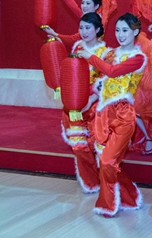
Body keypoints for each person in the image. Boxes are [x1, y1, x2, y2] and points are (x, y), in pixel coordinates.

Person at [77, 13, 146, 217]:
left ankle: (107, 204)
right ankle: (129, 196)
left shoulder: (138, 58)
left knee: (107, 161)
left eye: (125, 30)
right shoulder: (110, 54)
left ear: (135, 31)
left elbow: (113, 71)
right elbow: (101, 83)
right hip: (103, 113)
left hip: (124, 115)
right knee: (106, 162)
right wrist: (87, 102)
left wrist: (89, 57)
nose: (120, 34)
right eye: (117, 30)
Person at [60, 12, 107, 194]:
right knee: (79, 146)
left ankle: (105, 180)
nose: (84, 31)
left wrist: (90, 100)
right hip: (76, 104)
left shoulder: (105, 53)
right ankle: (90, 182)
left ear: (97, 29)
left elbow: (104, 81)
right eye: (81, 28)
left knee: (96, 145)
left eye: (88, 27)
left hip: (96, 106)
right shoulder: (77, 47)